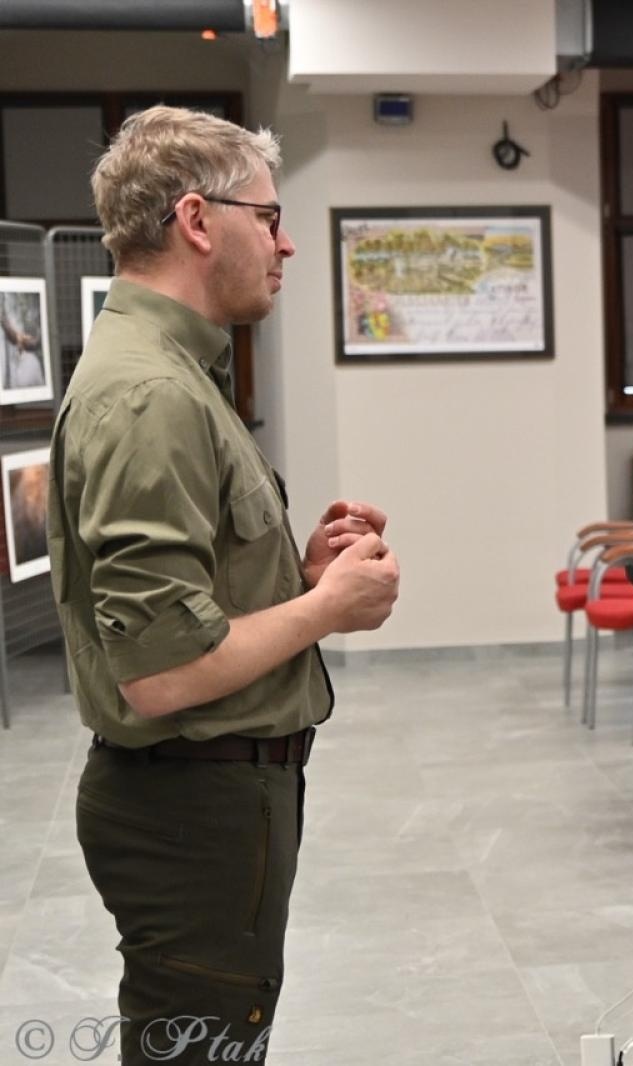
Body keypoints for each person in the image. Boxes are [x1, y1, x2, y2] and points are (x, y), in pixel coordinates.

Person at [47, 106, 401, 1065]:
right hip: (188, 811)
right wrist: (326, 609)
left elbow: (190, 598)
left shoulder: (171, 372)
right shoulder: (150, 393)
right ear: (199, 221)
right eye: (270, 217)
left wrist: (298, 577)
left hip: (207, 801)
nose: (285, 244)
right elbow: (161, 674)